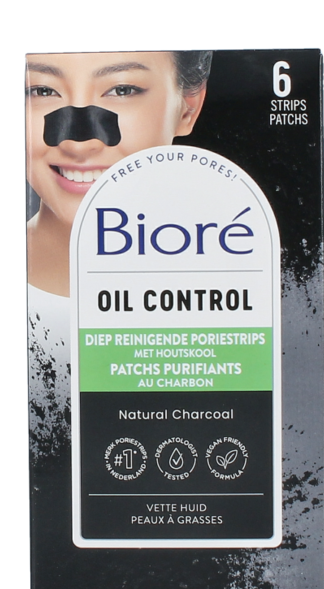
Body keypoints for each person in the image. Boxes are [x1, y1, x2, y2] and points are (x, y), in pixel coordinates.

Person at [26, 51, 212, 456]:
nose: (77, 141)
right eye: (42, 90)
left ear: (188, 107)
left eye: (122, 89)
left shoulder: (253, 298)